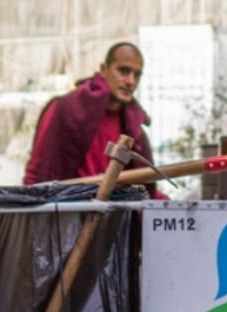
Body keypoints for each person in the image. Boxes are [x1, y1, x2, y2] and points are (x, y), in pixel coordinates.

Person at [23, 42, 162, 198]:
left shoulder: (134, 126)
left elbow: (144, 186)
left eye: (137, 75)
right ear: (104, 69)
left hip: (115, 215)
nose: (131, 81)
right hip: (68, 212)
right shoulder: (65, 109)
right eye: (124, 71)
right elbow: (37, 172)